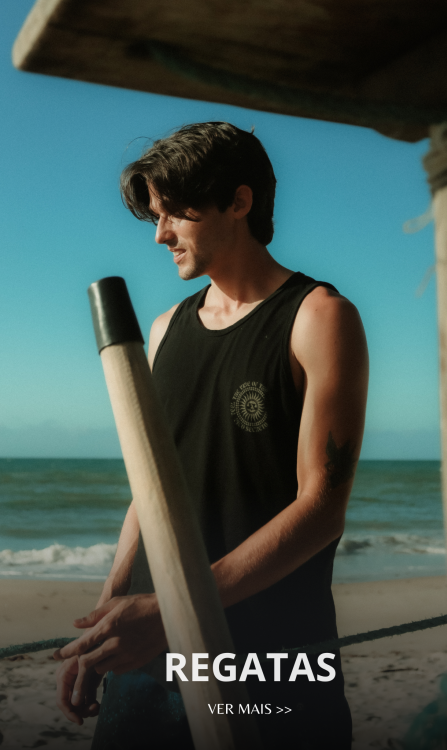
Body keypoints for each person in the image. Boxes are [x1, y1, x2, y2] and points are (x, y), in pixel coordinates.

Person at [54, 122, 368, 749]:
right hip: (150, 650)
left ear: (239, 201)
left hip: (274, 663)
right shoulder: (164, 329)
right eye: (156, 216)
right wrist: (108, 611)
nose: (160, 234)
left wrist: (177, 609)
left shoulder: (319, 318)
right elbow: (152, 486)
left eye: (174, 213)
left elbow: (321, 509)